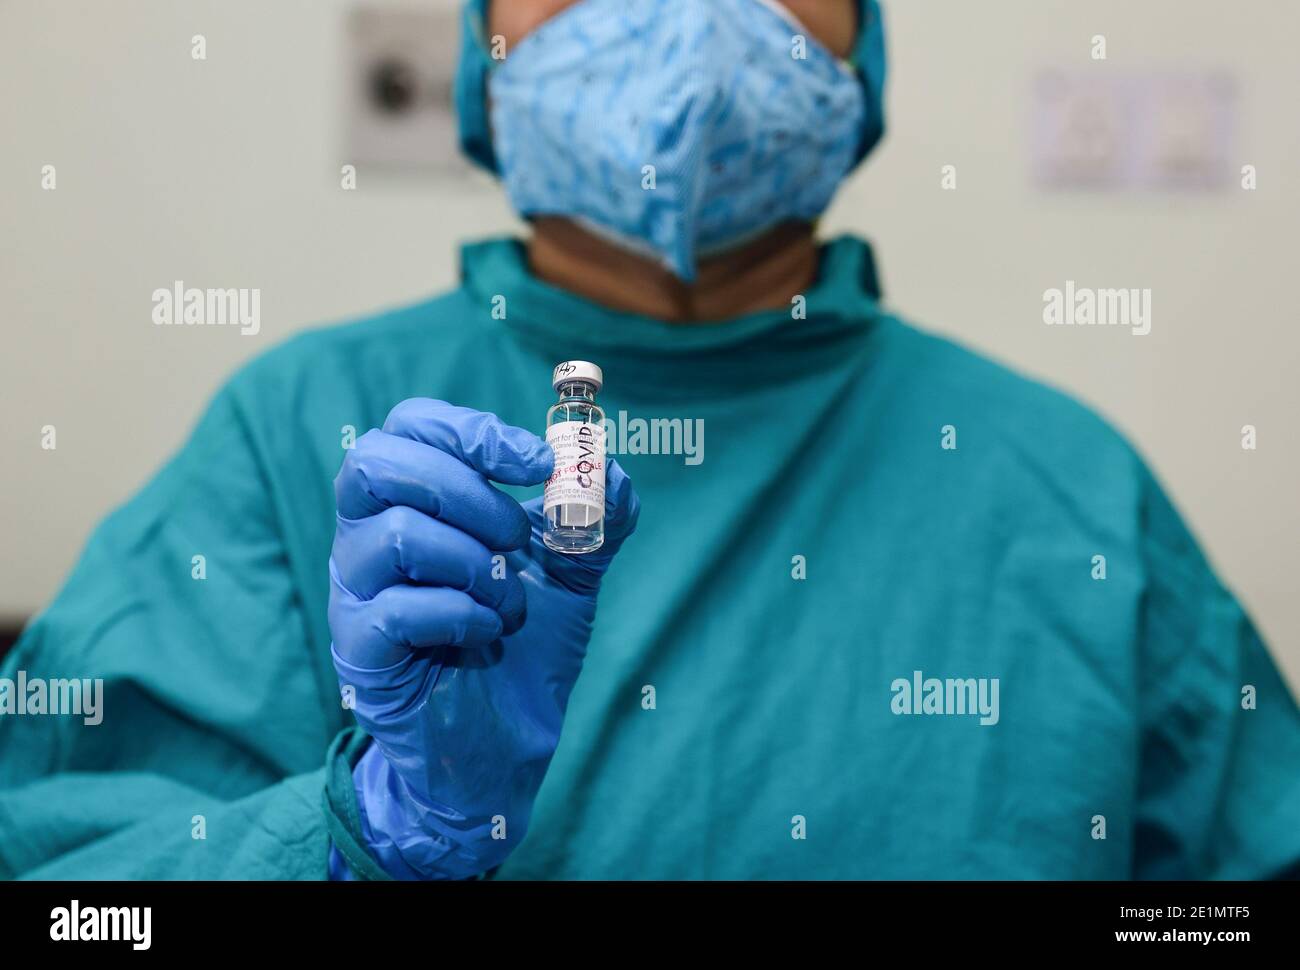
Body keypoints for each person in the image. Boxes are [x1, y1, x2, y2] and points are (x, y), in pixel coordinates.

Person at [1, 0, 1297, 881]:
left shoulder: (1073, 494)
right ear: (480, 40)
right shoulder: (298, 435)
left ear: (865, 43)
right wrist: (362, 836)